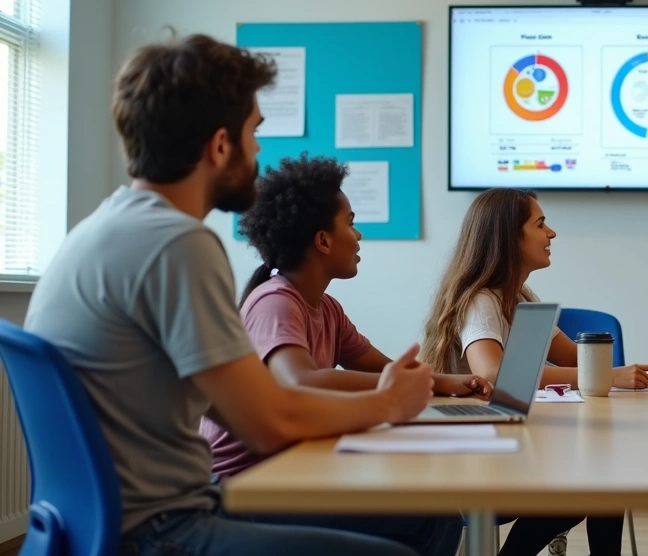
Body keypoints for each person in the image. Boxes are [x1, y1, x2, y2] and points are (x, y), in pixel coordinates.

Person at [25, 34, 437, 556]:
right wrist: (387, 403)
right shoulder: (176, 243)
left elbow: (243, 408)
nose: (259, 150)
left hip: (99, 525)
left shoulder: (106, 229)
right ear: (221, 146)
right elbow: (270, 425)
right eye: (254, 133)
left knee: (413, 517)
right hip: (159, 531)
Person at [198, 153, 489, 554]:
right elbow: (298, 380)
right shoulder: (276, 301)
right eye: (351, 223)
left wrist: (442, 381)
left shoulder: (327, 309)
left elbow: (379, 364)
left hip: (288, 471)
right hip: (243, 490)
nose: (359, 236)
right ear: (322, 240)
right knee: (429, 519)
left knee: (432, 513)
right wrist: (390, 394)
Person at [420, 187, 648, 556]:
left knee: (604, 471)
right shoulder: (480, 300)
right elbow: (494, 374)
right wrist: (605, 377)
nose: (551, 233)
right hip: (475, 456)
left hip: (511, 443)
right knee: (590, 479)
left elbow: (574, 358)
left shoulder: (520, 297)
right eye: (541, 224)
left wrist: (627, 373)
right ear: (509, 237)